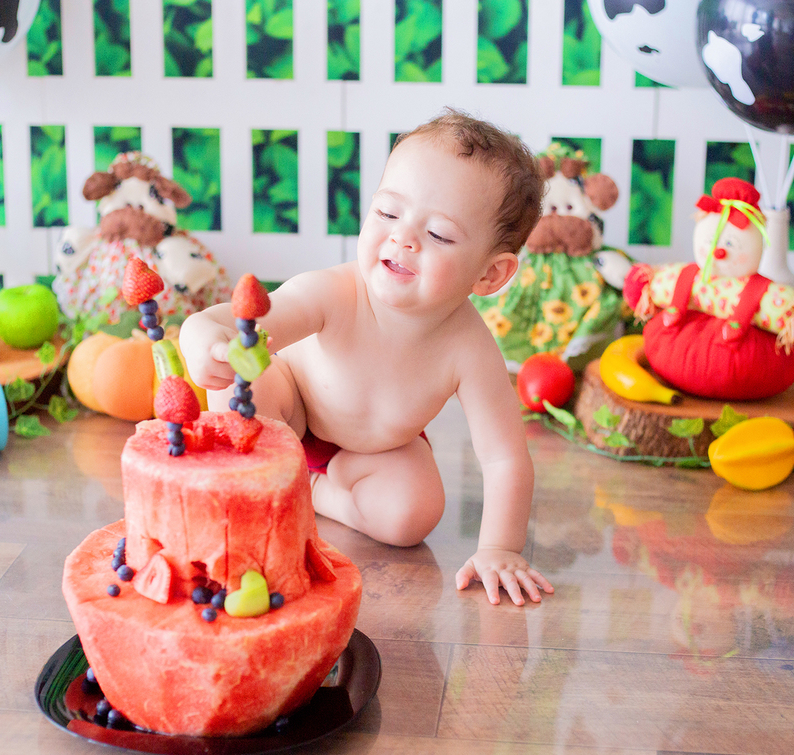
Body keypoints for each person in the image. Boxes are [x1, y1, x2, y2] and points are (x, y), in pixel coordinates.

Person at [179, 109, 553, 606]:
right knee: (241, 381)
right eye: (387, 212)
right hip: (289, 412)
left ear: (489, 275)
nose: (402, 237)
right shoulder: (333, 292)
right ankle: (270, 482)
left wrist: (500, 549)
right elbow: (245, 325)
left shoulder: (469, 347)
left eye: (438, 234)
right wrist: (203, 336)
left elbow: (505, 456)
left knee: (413, 514)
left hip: (373, 451)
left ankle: (310, 492)